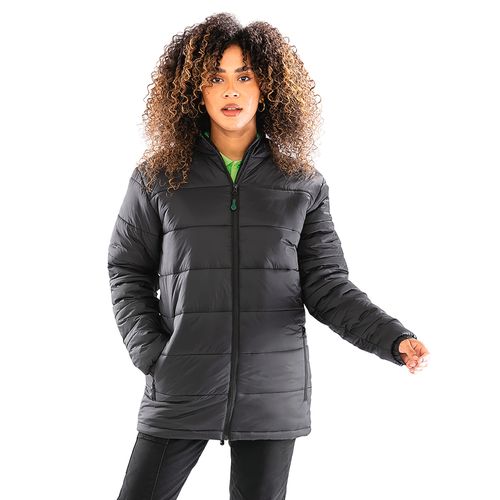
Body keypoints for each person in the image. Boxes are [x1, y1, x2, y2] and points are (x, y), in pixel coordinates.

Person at [107, 12, 430, 500]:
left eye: (244, 77)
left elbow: (327, 285)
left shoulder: (301, 182)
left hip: (272, 390)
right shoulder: (159, 177)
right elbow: (128, 268)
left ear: (268, 87)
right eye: (216, 78)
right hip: (181, 381)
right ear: (195, 90)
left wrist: (393, 338)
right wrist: (151, 352)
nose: (231, 91)